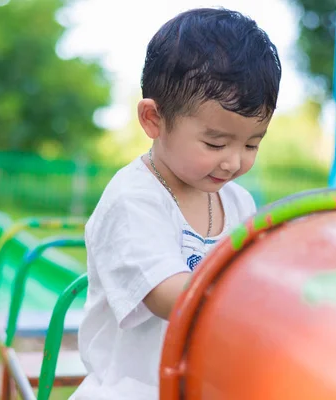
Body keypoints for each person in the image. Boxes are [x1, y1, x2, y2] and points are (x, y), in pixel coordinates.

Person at [70, 7, 282, 399]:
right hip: (131, 390)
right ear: (153, 119)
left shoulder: (237, 202)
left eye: (252, 143)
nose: (234, 161)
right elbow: (168, 295)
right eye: (215, 143)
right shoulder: (133, 199)